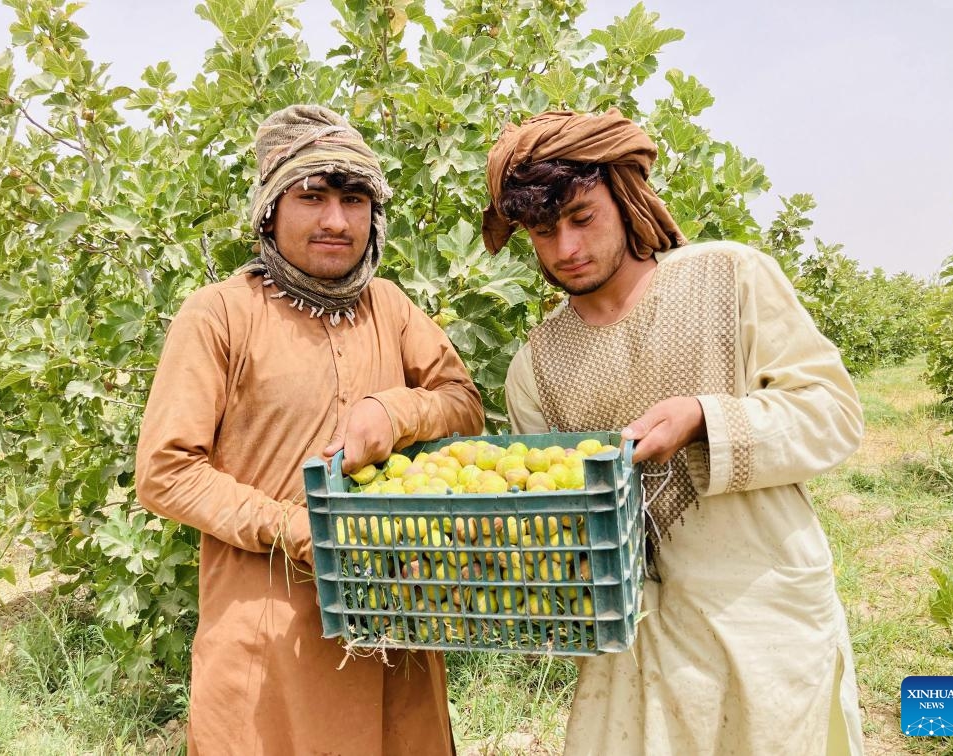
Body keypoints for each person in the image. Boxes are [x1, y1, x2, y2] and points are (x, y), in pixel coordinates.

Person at [482, 108, 865, 755]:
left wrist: (705, 419)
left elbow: (834, 416)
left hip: (765, 619)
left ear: (625, 200)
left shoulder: (730, 278)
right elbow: (559, 530)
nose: (567, 249)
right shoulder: (537, 366)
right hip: (634, 649)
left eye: (582, 218)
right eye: (544, 233)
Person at [136, 104, 484, 755]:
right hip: (267, 645)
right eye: (312, 197)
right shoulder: (218, 315)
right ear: (271, 208)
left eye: (354, 200)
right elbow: (166, 470)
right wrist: (301, 530)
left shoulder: (392, 308)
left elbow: (462, 401)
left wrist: (394, 411)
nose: (335, 220)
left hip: (395, 630)